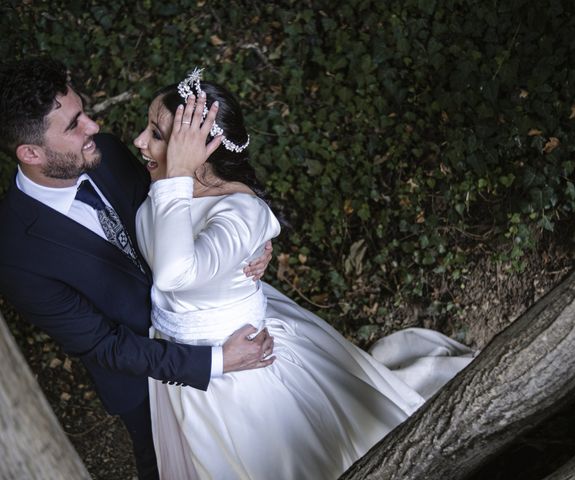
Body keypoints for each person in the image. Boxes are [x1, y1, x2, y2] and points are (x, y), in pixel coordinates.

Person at [134, 69, 475, 479]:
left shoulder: (236, 210)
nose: (138, 141)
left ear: (196, 150)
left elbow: (174, 274)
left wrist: (175, 179)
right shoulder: (168, 187)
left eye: (155, 133)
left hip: (243, 376)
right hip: (189, 367)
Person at [0, 58, 275, 480]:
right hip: (144, 378)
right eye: (75, 125)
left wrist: (246, 237)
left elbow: (181, 207)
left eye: (84, 112)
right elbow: (104, 346)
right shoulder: (15, 251)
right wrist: (216, 361)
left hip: (215, 323)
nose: (93, 126)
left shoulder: (105, 152)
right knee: (168, 466)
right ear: (31, 153)